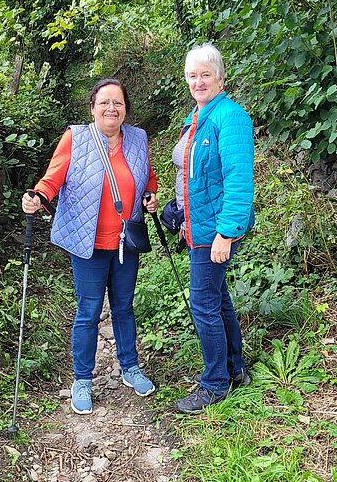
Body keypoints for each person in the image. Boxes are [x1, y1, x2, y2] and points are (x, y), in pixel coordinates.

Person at [22, 78, 158, 416]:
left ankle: (130, 367)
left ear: (126, 109)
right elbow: (53, 177)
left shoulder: (138, 139)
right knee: (89, 312)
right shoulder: (76, 138)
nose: (112, 108)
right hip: (89, 244)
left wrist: (150, 195)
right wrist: (38, 196)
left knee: (124, 308)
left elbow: (147, 177)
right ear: (92, 108)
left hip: (126, 242)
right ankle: (82, 379)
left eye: (118, 103)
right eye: (104, 102)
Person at [172, 43, 254, 414]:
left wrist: (227, 232)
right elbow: (194, 176)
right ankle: (235, 369)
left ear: (220, 77)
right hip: (199, 226)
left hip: (214, 232)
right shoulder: (197, 117)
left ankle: (215, 384)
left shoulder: (230, 117)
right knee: (218, 300)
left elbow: (238, 180)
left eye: (206, 74)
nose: (199, 81)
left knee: (203, 304)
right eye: (193, 75)